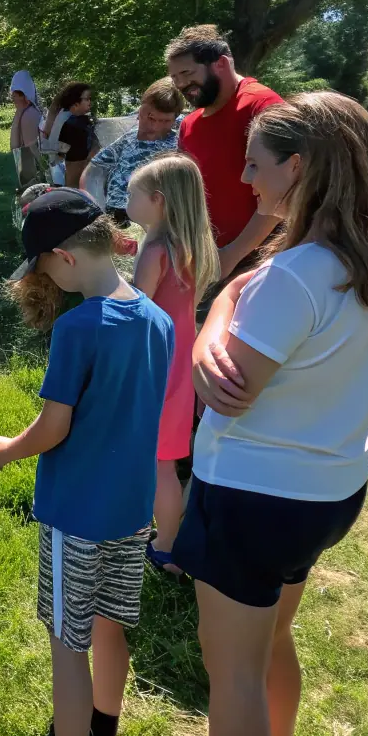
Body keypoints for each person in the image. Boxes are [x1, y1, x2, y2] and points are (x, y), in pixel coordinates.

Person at [172, 93, 368, 736]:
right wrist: (233, 295)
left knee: (232, 674)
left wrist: (209, 325)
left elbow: (225, 387)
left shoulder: (293, 277)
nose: (242, 177)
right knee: (272, 641)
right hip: (328, 491)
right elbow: (250, 303)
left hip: (250, 496)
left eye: (253, 162)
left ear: (297, 167)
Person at [0, 189, 174, 736]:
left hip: (77, 516)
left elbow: (53, 427)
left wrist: (7, 450)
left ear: (64, 258)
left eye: (42, 265)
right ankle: (105, 727)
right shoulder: (158, 319)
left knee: (68, 644)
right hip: (132, 510)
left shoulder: (78, 329)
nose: (43, 278)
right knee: (111, 627)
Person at [124, 153, 219, 574]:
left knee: (160, 461)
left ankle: (165, 545)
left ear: (157, 201)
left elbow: (136, 307)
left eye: (133, 195)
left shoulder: (156, 249)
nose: (127, 201)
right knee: (168, 458)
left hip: (154, 361)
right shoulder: (191, 245)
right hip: (183, 358)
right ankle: (165, 534)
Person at [164, 25, 283, 289]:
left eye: (187, 72)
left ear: (221, 63)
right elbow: (185, 191)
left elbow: (284, 191)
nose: (181, 84)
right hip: (206, 256)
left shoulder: (262, 106)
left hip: (258, 261)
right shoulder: (189, 124)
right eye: (175, 77)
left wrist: (232, 254)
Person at [81, 78, 185, 226]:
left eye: (165, 121)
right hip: (113, 217)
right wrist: (95, 209)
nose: (154, 127)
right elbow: (95, 169)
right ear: (141, 108)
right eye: (150, 117)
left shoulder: (181, 138)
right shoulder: (130, 136)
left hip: (153, 221)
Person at [43, 82, 99, 189]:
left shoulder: (65, 117)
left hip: (64, 175)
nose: (89, 103)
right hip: (76, 179)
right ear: (75, 104)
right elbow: (80, 160)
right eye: (87, 99)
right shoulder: (74, 125)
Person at [9, 70, 46, 194]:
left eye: (16, 93)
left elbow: (31, 148)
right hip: (28, 172)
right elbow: (15, 148)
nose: (12, 96)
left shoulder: (29, 114)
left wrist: (44, 173)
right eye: (13, 93)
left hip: (34, 176)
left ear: (25, 95)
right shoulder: (23, 113)